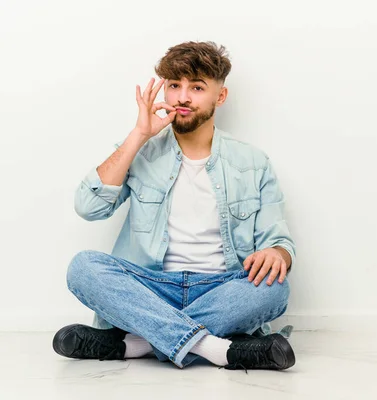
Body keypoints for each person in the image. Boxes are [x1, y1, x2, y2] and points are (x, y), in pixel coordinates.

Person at [52, 41, 297, 371]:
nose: (182, 97)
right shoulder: (142, 150)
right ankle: (221, 349)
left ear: (219, 97)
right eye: (174, 85)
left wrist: (277, 254)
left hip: (219, 289)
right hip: (151, 289)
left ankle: (136, 344)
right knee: (83, 267)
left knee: (275, 289)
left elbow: (279, 242)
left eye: (197, 87)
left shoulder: (253, 162)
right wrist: (139, 135)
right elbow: (88, 206)